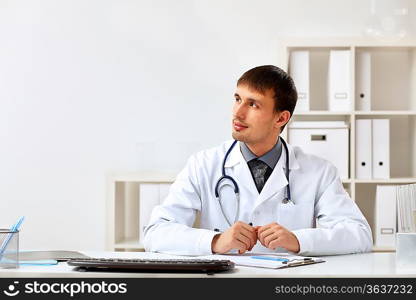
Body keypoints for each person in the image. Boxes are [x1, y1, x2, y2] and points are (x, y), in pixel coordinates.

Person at [143, 65, 372, 256]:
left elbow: (359, 235)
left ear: (281, 118)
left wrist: (298, 240)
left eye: (253, 104)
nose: (238, 113)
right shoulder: (203, 164)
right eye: (237, 99)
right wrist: (215, 241)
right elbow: (155, 233)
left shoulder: (318, 171)